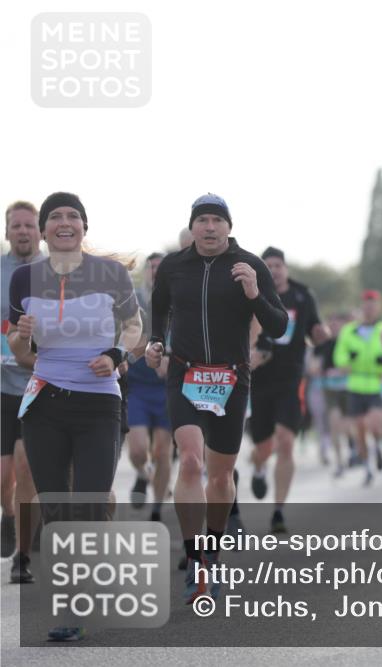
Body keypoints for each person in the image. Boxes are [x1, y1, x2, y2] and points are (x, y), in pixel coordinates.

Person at [7, 192, 143, 641]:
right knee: (57, 510)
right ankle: (70, 607)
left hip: (100, 402)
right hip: (44, 402)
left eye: (73, 216)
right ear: (44, 230)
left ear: (84, 226)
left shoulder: (111, 274)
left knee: (87, 504)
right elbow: (22, 354)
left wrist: (115, 353)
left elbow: (133, 326)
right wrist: (21, 339)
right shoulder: (24, 279)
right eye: (55, 217)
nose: (64, 222)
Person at [145, 194, 287, 604]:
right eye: (202, 220)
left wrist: (254, 292)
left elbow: (277, 325)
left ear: (228, 226)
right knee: (190, 460)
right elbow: (160, 312)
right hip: (185, 374)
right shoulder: (173, 266)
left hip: (231, 379)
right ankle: (194, 559)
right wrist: (156, 343)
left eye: (216, 221)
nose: (209, 227)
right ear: (192, 227)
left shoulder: (248, 265)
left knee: (222, 476)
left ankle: (212, 549)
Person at [247, 247, 329, 533]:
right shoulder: (252, 292)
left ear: (286, 268)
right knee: (263, 447)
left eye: (278, 265)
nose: (274, 270)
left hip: (290, 379)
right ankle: (258, 467)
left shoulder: (303, 295)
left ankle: (278, 510)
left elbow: (316, 329)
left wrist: (322, 334)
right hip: (258, 380)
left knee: (285, 441)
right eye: (267, 265)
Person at [1, 201, 42, 584]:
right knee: (4, 475)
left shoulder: (54, 272)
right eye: (17, 226)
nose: (24, 231)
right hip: (2, 386)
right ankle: (12, 518)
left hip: (38, 383)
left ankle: (21, 554)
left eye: (30, 225)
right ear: (8, 231)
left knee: (26, 464)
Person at [125, 253, 173, 521]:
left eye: (161, 268)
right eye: (152, 268)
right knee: (137, 449)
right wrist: (148, 348)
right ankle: (144, 475)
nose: (156, 272)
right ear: (145, 272)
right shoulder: (134, 300)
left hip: (168, 387)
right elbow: (127, 339)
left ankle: (156, 509)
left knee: (163, 451)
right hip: (139, 385)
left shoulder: (179, 300)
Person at [334, 291, 382, 486]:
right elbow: (339, 355)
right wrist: (347, 361)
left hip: (375, 384)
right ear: (361, 307)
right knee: (360, 430)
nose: (369, 309)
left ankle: (379, 446)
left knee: (375, 425)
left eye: (373, 305)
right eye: (366, 305)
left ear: (378, 307)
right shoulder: (349, 330)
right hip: (355, 384)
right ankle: (367, 468)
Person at [314, 312, 353, 475]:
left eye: (338, 325)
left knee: (348, 426)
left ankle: (355, 448)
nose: (335, 327)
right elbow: (313, 366)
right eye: (332, 324)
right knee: (335, 424)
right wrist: (320, 369)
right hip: (330, 389)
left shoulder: (350, 342)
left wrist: (343, 370)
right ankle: (339, 461)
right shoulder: (323, 344)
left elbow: (356, 364)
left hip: (349, 389)